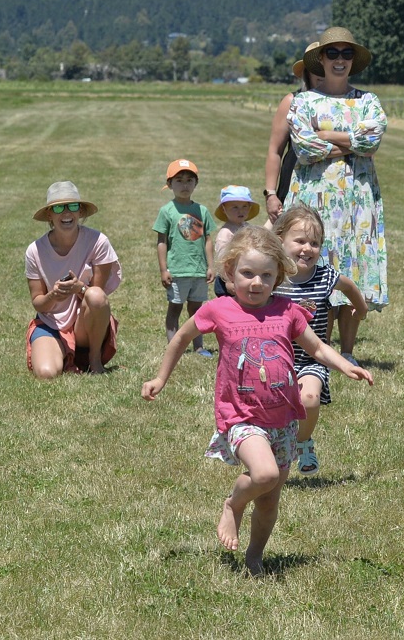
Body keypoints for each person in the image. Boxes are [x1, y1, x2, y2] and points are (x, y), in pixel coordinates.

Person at [141, 226, 372, 575]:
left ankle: (254, 556)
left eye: (266, 275)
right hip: (241, 417)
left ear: (278, 276)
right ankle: (232, 505)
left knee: (268, 502)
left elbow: (318, 347)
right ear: (230, 273)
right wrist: (160, 377)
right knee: (262, 474)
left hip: (283, 420)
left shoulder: (287, 310)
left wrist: (345, 365)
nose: (256, 283)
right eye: (247, 274)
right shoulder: (219, 309)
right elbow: (181, 339)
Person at [286, 27, 388, 361]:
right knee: (315, 265)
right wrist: (350, 141)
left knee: (352, 269)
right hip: (314, 197)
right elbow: (303, 147)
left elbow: (371, 142)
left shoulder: (368, 100)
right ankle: (317, 348)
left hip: (358, 200)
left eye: (346, 54)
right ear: (322, 59)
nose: (340, 60)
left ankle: (347, 351)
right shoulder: (302, 101)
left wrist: (324, 134)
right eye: (333, 54)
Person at [271, 205, 368, 477]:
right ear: (280, 241)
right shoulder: (272, 277)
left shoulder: (324, 276)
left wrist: (360, 310)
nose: (307, 249)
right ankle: (275, 445)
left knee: (310, 399)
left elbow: (348, 286)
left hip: (312, 358)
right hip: (275, 360)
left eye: (314, 243)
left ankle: (303, 443)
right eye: (300, 241)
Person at [25, 181, 120, 379]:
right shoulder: (34, 251)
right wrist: (54, 295)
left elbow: (98, 296)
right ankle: (63, 354)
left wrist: (79, 288)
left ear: (80, 212)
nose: (66, 213)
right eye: (59, 207)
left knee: (94, 296)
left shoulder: (98, 241)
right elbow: (38, 303)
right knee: (46, 373)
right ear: (49, 214)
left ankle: (94, 359)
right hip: (50, 323)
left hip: (83, 323)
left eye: (73, 206)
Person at [154, 159, 216, 358]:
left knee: (196, 311)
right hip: (177, 270)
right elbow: (162, 242)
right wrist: (164, 269)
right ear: (170, 184)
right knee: (175, 308)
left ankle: (198, 346)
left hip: (198, 270)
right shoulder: (167, 211)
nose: (185, 185)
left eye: (190, 180)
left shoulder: (202, 211)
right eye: (179, 180)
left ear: (196, 184)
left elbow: (207, 240)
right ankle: (175, 347)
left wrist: (210, 266)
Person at [262, 41, 321, 222]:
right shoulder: (291, 101)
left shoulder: (349, 104)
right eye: (316, 68)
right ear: (307, 73)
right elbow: (275, 151)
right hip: (293, 187)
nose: (322, 73)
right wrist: (271, 194)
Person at [211, 185, 258, 297]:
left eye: (245, 206)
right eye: (235, 207)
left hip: (244, 275)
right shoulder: (226, 233)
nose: (240, 211)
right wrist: (228, 280)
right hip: (228, 278)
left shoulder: (247, 227)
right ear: (224, 209)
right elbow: (222, 260)